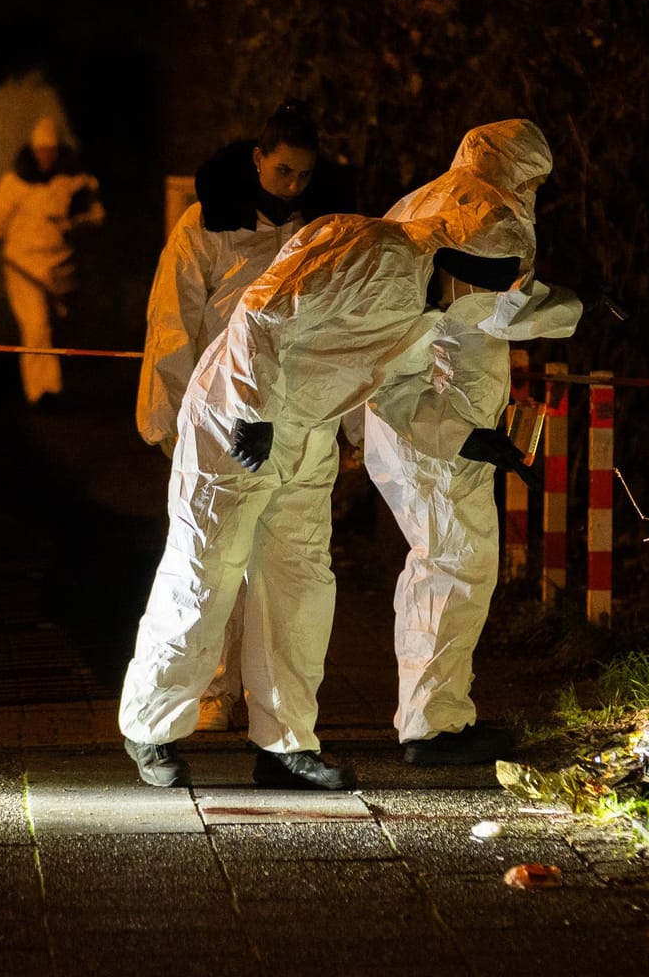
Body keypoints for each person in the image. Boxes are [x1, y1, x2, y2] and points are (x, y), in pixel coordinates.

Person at [118, 210, 532, 791]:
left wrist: (467, 437)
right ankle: (151, 726)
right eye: (484, 283)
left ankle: (285, 745)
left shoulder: (427, 307)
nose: (479, 299)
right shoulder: (375, 251)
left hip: (308, 431)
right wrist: (253, 408)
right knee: (206, 568)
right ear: (462, 265)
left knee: (299, 585)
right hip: (234, 423)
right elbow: (263, 312)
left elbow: (398, 390)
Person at [364, 119, 592, 765]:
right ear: (519, 170)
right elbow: (501, 309)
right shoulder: (491, 212)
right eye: (538, 180)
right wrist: (577, 307)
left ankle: (429, 714)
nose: (538, 193)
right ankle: (433, 728)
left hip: (398, 411)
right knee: (458, 566)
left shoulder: (418, 200)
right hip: (442, 414)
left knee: (434, 562)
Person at [138, 101, 352, 733]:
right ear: (258, 159)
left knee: (285, 566)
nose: (292, 186)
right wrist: (165, 417)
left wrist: (357, 426)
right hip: (219, 412)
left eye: (303, 176)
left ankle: (274, 702)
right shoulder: (207, 226)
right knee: (212, 558)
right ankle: (209, 689)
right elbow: (171, 319)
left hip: (297, 415)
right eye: (283, 171)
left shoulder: (325, 227)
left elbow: (345, 330)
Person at [0, 116, 105, 408]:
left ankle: (55, 385)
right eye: (40, 151)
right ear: (32, 151)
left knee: (54, 328)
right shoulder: (15, 183)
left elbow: (97, 215)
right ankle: (44, 392)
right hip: (23, 267)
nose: (45, 156)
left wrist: (77, 222)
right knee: (36, 328)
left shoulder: (77, 182)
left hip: (61, 270)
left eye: (50, 151)